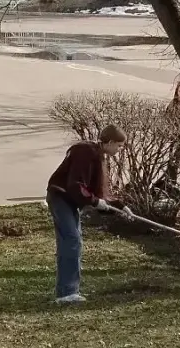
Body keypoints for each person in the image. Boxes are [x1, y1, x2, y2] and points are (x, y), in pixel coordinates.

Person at [46, 124, 126, 304]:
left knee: (73, 241)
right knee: (71, 240)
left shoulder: (98, 156)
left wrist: (121, 207)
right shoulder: (85, 152)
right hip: (60, 197)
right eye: (119, 146)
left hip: (70, 201)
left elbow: (98, 193)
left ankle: (66, 291)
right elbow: (76, 185)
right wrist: (94, 201)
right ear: (110, 142)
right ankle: (67, 293)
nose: (120, 150)